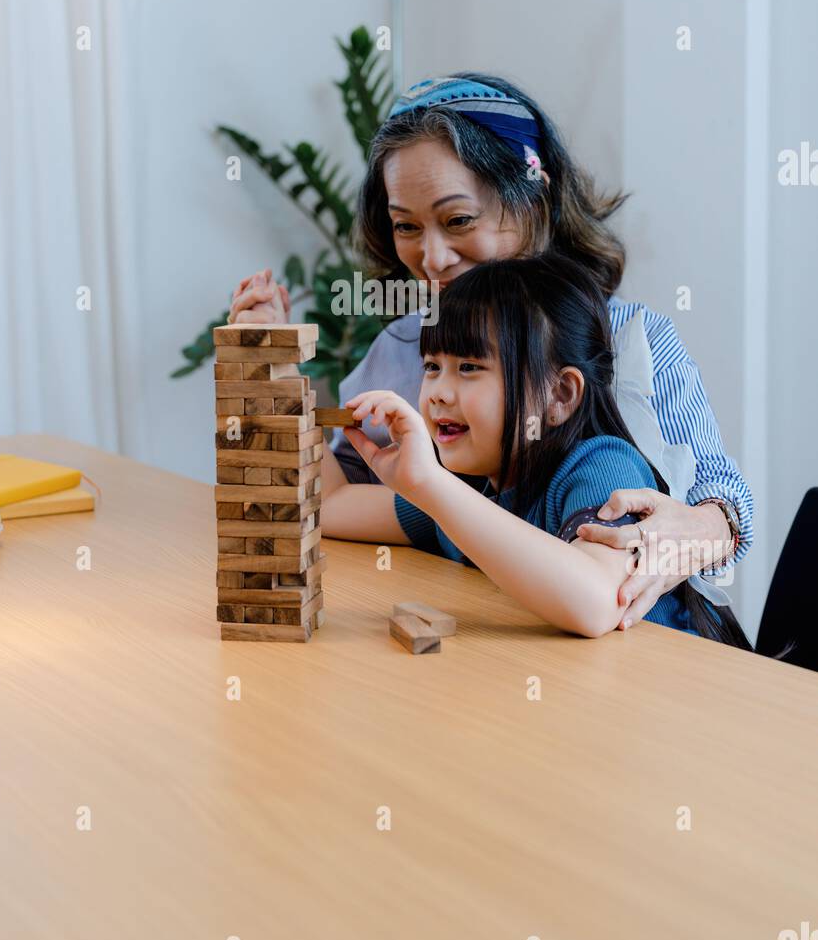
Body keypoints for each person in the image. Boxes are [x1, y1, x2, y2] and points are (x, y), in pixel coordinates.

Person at [229, 73, 752, 631]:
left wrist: (703, 530)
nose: (431, 258)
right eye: (406, 225)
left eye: (458, 220)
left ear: (532, 200)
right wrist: (272, 366)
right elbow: (332, 496)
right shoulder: (418, 376)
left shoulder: (605, 445)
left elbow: (719, 507)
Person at [321, 255, 751, 646]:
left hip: (675, 701)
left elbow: (599, 601)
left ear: (560, 395)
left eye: (469, 368)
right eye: (432, 367)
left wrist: (431, 486)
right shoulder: (471, 486)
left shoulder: (601, 466)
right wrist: (275, 379)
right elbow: (329, 504)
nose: (437, 393)